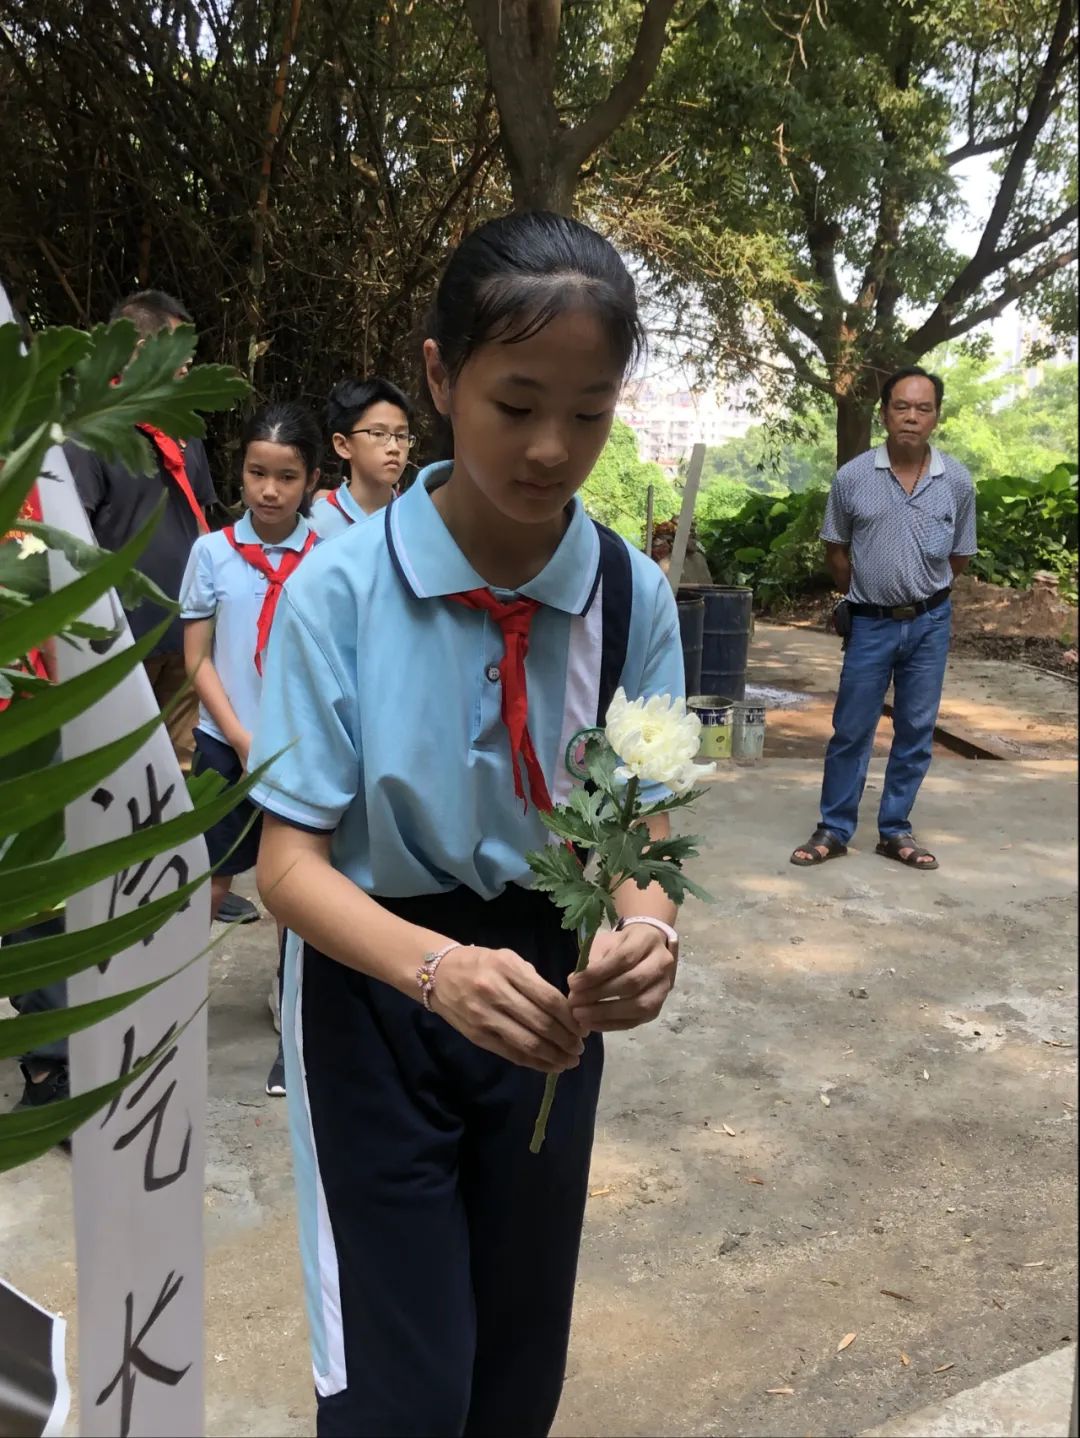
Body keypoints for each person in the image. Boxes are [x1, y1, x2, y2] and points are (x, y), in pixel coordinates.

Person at [250, 211, 686, 1437]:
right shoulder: (340, 590)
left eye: (589, 412)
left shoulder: (626, 595)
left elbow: (639, 834)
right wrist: (438, 972)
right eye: (516, 404)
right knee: (400, 1390)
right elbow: (287, 867)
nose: (552, 448)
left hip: (550, 996)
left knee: (514, 1366)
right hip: (375, 983)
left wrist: (649, 932)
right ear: (441, 378)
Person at [65, 289, 257, 924]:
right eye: (177, 351)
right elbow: (73, 535)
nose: (187, 365)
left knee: (185, 766)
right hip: (120, 638)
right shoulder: (91, 427)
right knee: (116, 767)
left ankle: (187, 884)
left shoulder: (183, 428)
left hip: (188, 632)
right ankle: (108, 898)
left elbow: (202, 519)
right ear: (136, 348)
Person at [181, 402, 321, 1095]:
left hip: (300, 749)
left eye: (286, 477)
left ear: (312, 480)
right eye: (257, 472)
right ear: (239, 471)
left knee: (296, 890)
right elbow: (197, 659)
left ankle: (293, 1031)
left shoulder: (328, 558)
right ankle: (171, 1016)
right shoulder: (211, 553)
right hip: (224, 745)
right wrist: (238, 734)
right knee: (208, 879)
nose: (269, 490)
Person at [791, 366, 977, 872]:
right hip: (870, 623)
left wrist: (924, 593)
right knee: (852, 728)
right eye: (902, 407)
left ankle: (895, 830)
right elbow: (836, 549)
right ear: (884, 413)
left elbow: (960, 555)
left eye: (923, 408)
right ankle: (834, 828)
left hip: (930, 624)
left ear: (936, 416)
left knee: (916, 728)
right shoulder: (853, 478)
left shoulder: (956, 481)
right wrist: (862, 596)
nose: (912, 417)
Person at [309, 377, 414, 537]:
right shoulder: (318, 525)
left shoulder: (416, 517)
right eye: (378, 433)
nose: (394, 448)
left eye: (401, 436)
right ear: (343, 445)